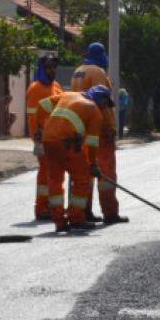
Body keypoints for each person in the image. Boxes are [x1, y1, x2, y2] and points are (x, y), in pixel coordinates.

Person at [41, 86, 114, 233]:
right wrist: (93, 165)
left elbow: (42, 105)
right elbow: (92, 143)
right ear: (101, 99)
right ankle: (76, 219)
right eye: (106, 103)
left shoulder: (67, 95)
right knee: (82, 179)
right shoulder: (94, 111)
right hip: (68, 142)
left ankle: (59, 222)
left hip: (47, 139)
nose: (105, 107)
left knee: (54, 180)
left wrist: (39, 128)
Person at [70, 43, 128, 225]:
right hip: (100, 131)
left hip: (82, 128)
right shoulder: (98, 73)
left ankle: (82, 211)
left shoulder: (78, 71)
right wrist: (109, 128)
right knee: (106, 174)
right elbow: (102, 102)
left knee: (84, 172)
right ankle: (110, 213)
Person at [26, 56, 64, 221]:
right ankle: (41, 208)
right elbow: (33, 117)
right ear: (41, 68)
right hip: (43, 138)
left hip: (57, 137)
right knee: (45, 174)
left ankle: (52, 206)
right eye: (48, 67)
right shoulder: (35, 89)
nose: (52, 70)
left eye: (54, 67)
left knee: (55, 174)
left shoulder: (56, 86)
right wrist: (37, 138)